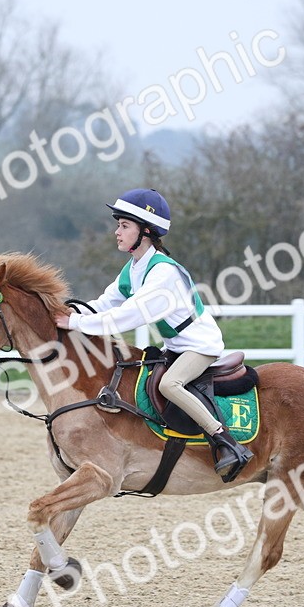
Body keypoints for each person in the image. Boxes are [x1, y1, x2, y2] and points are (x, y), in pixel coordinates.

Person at [54, 188, 253, 481]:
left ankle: (226, 441)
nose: (117, 232)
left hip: (199, 346)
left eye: (124, 226)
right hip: (176, 346)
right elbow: (105, 304)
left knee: (170, 385)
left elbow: (127, 316)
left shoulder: (163, 273)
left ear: (145, 231)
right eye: (118, 225)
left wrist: (75, 323)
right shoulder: (134, 268)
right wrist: (69, 312)